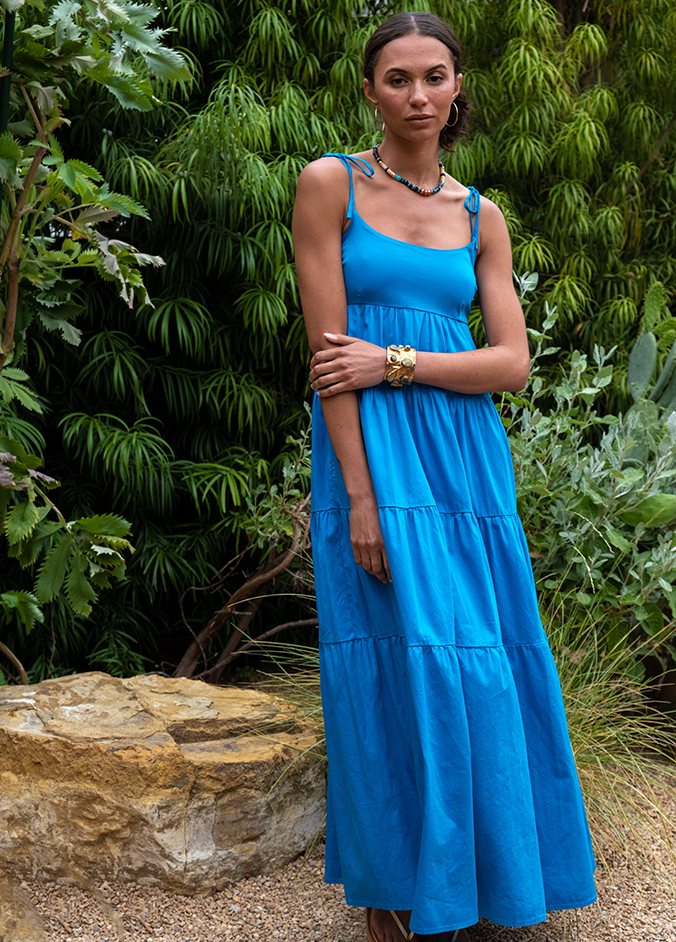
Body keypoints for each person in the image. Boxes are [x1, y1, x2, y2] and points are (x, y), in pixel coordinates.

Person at [292, 11, 597, 942]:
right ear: (370, 90)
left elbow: (511, 362)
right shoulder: (327, 185)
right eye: (397, 79)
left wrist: (401, 362)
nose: (418, 95)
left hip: (466, 465)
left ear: (458, 87)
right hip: (371, 461)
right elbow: (327, 358)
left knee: (486, 665)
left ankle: (491, 880)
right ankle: (395, 892)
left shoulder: (481, 214)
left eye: (434, 77)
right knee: (389, 665)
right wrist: (360, 500)